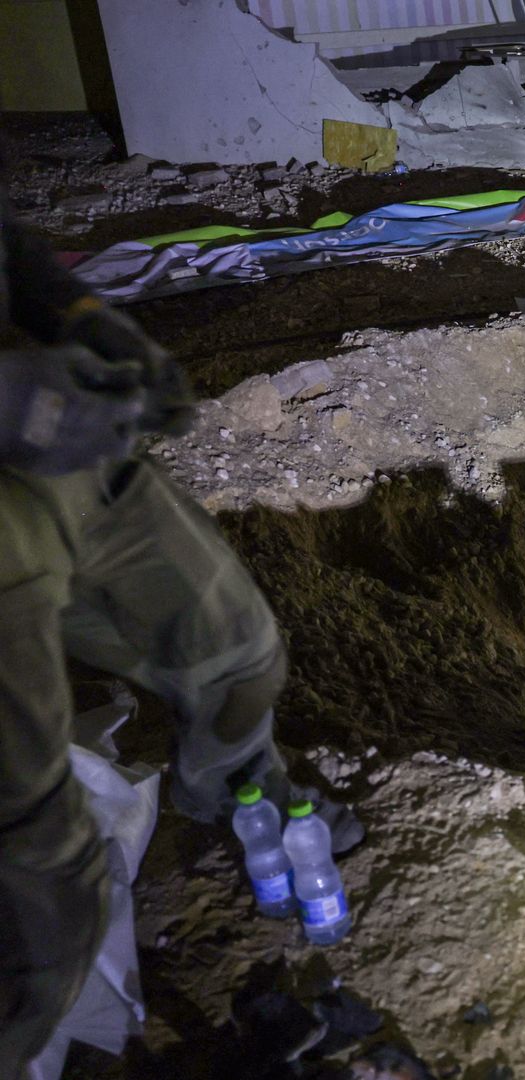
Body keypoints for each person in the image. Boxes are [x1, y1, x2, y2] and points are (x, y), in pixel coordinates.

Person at [0, 172, 360, 1075]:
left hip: (55, 444)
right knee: (43, 865)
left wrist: (77, 314)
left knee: (235, 659)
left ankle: (232, 799)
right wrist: (22, 405)